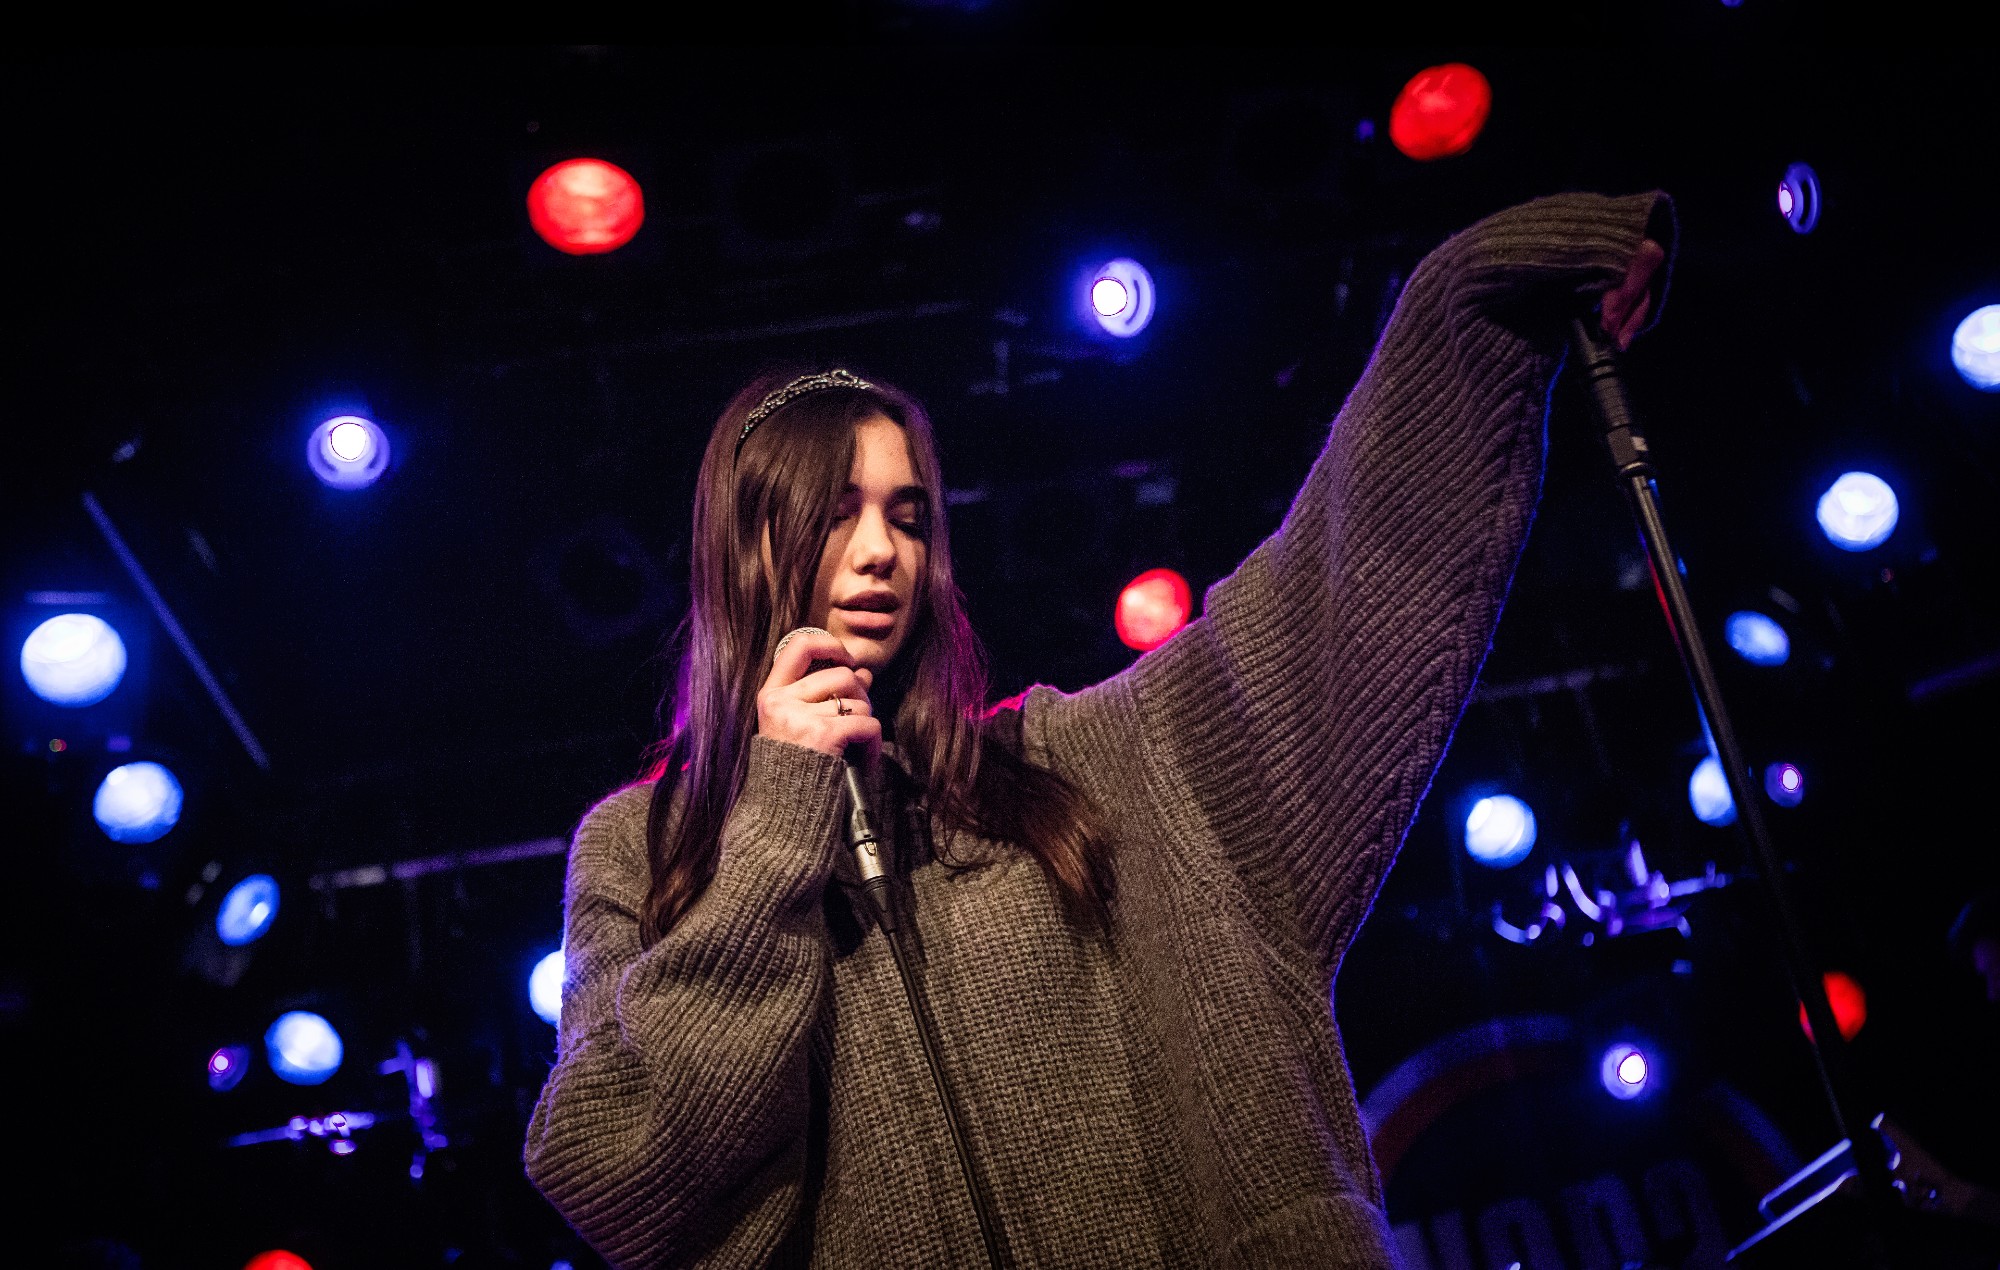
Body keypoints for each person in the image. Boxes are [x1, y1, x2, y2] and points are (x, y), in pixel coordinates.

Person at [523, 191, 1673, 1267]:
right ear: (746, 545)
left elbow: (1326, 594)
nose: (882, 551)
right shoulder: (636, 847)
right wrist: (775, 828)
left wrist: (1466, 313)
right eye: (836, 513)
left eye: (908, 515)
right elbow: (622, 1179)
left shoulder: (1085, 760)